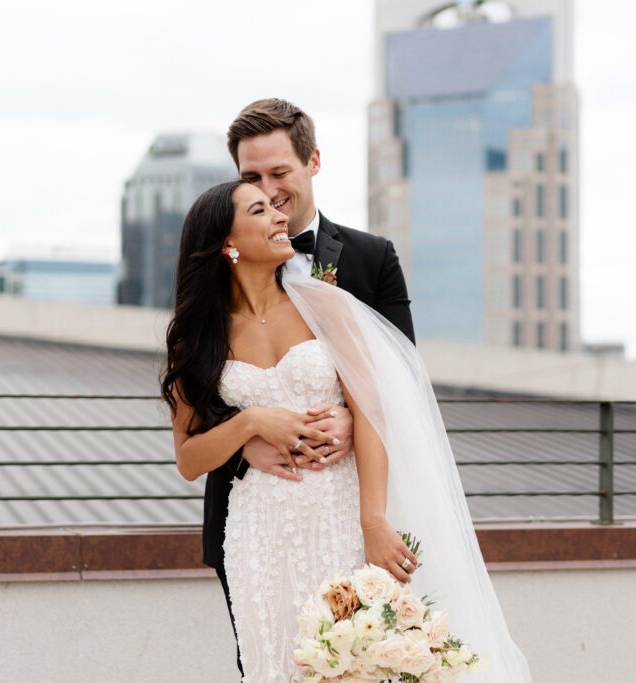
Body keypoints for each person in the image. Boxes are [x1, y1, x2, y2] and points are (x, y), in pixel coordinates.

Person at [162, 181, 532, 682]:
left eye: (276, 206)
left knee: (357, 661)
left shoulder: (327, 307)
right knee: (276, 663)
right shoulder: (196, 335)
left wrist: (374, 522)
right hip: (259, 530)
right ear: (227, 244)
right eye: (260, 210)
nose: (278, 216)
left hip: (341, 513)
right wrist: (251, 422)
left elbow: (374, 413)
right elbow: (188, 458)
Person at [204, 98, 416, 676]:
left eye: (280, 173)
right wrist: (246, 435)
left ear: (313, 161)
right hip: (254, 516)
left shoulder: (373, 260)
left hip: (348, 508)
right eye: (251, 178)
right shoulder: (211, 294)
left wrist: (353, 413)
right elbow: (196, 414)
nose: (269, 191)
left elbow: (404, 381)